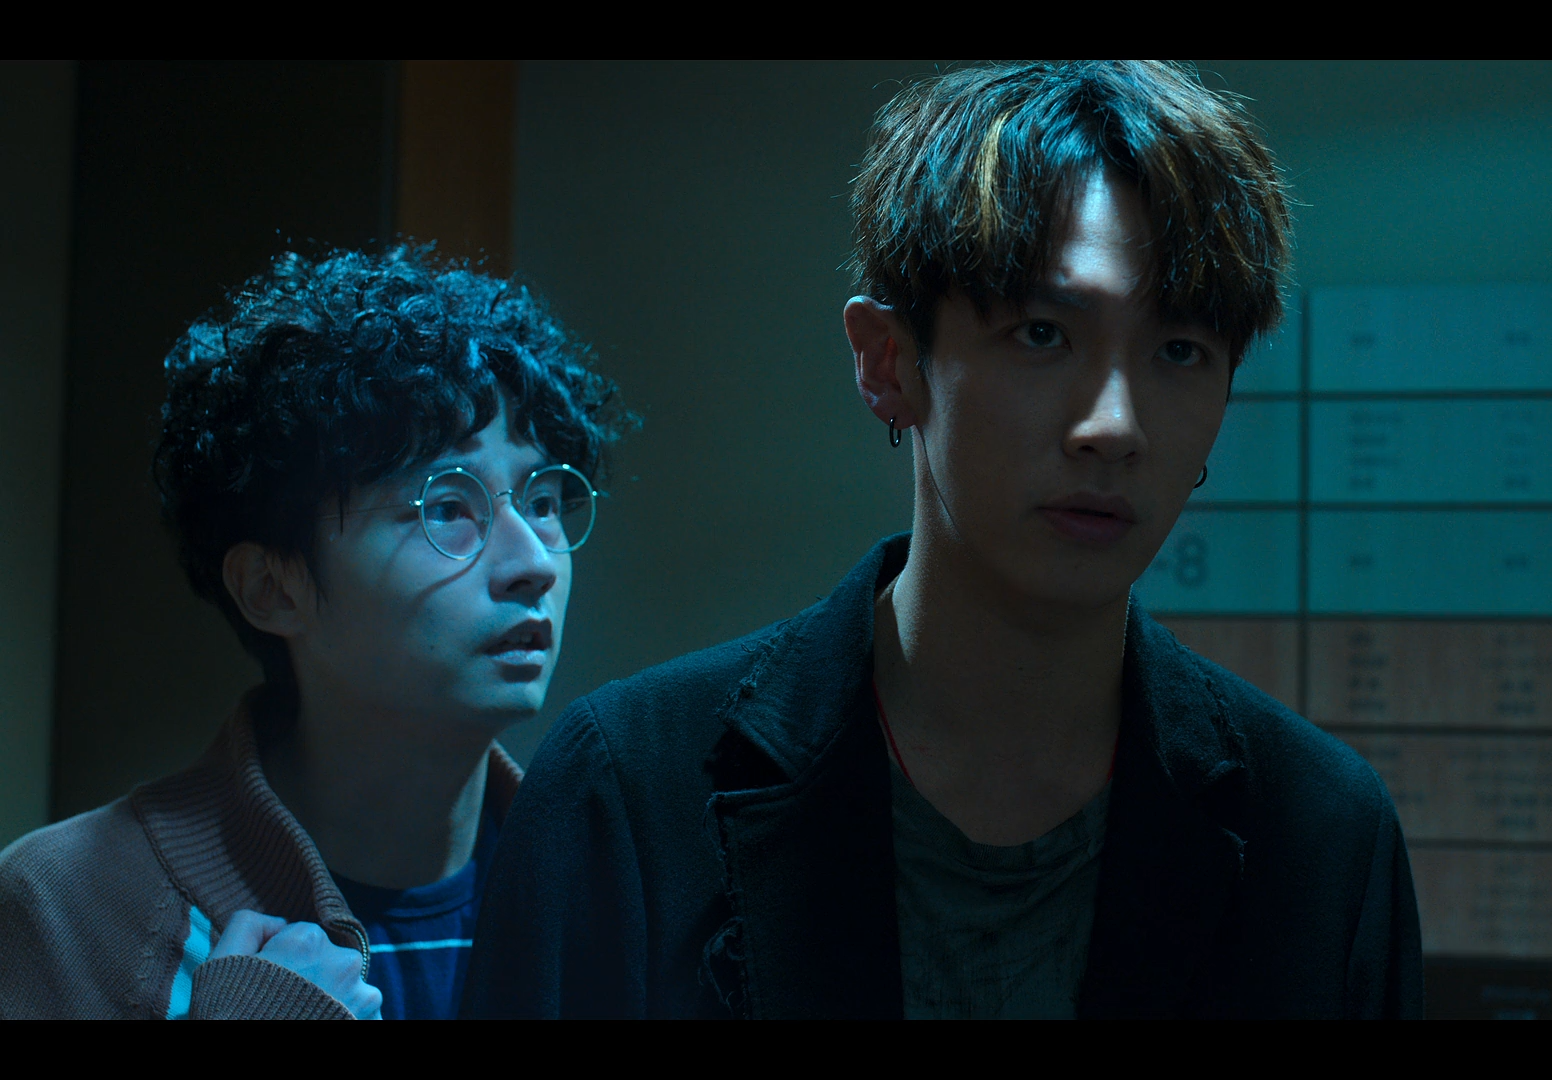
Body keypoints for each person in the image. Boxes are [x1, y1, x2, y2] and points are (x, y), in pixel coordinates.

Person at [465, 61, 1421, 1019]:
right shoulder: (629, 796)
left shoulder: (1323, 838)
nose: (1114, 426)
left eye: (1180, 351)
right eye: (1042, 334)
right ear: (889, 362)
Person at [0, 247, 624, 1019]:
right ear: (272, 588)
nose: (532, 564)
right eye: (445, 508)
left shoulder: (610, 887)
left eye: (544, 501)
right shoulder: (70, 905)